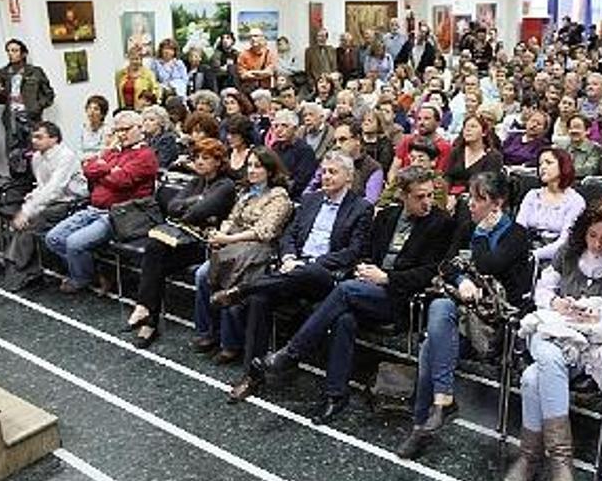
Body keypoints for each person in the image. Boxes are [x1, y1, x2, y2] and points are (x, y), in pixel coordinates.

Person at [245, 166, 453, 423]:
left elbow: (432, 272)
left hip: (400, 297)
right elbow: (364, 251)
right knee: (343, 319)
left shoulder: (440, 223)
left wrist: (387, 278)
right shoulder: (388, 216)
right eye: (420, 197)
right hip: (366, 287)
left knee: (343, 291)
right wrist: (365, 268)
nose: (427, 202)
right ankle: (336, 395)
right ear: (402, 195)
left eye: (430, 195)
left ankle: (290, 353)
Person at [505, 198, 602, 481]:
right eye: (592, 235)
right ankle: (560, 462)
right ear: (584, 232)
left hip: (588, 344)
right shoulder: (568, 252)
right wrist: (556, 303)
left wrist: (600, 314)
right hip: (550, 330)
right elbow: (541, 292)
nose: (597, 244)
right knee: (549, 352)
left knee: (533, 379)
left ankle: (529, 457)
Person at [396, 172, 532, 459]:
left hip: (495, 325)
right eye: (470, 196)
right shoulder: (466, 226)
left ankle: (423, 425)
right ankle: (440, 403)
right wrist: (461, 281)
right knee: (440, 310)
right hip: (460, 315)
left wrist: (481, 235)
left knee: (429, 348)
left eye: (479, 199)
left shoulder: (517, 234)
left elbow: (488, 264)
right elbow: (445, 265)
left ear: (497, 204)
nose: (470, 204)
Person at [222, 151, 373, 398]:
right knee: (261, 301)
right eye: (324, 171)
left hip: (327, 275)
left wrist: (310, 263)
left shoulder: (360, 208)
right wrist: (290, 257)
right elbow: (289, 235)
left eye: (333, 172)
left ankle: (245, 288)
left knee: (305, 273)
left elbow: (354, 251)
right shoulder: (310, 200)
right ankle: (253, 375)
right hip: (294, 270)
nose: (326, 176)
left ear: (349, 177)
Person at [127, 138, 237, 348]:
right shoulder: (197, 181)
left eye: (205, 158)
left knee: (154, 260)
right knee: (155, 251)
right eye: (196, 158)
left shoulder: (226, 185)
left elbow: (196, 213)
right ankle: (147, 315)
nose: (199, 162)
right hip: (185, 239)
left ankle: (147, 317)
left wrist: (192, 205)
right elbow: (171, 206)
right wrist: (195, 202)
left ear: (218, 161)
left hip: (205, 245)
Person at [190, 146, 293, 363]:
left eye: (258, 166)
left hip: (259, 251)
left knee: (231, 281)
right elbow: (232, 219)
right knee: (202, 274)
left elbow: (265, 231)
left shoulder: (279, 197)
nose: (252, 170)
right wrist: (222, 234)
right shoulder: (246, 192)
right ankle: (208, 331)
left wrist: (228, 240)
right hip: (233, 247)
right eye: (249, 166)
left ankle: (231, 343)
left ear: (270, 171)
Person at [45, 111, 158, 293]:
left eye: (126, 129)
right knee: (53, 238)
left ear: (140, 128)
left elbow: (122, 180)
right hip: (93, 209)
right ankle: (98, 273)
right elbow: (88, 169)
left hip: (120, 215)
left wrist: (102, 171)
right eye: (118, 130)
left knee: (74, 243)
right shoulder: (113, 152)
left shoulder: (145, 155)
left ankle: (81, 279)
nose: (121, 134)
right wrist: (109, 169)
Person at [2, 122, 88, 291]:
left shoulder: (66, 156)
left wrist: (28, 211)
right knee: (24, 219)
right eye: (33, 137)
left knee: (31, 220)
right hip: (51, 201)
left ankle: (18, 267)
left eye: (39, 137)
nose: (34, 141)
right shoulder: (37, 157)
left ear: (54, 138)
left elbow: (55, 188)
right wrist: (30, 203)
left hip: (71, 202)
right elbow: (42, 186)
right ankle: (21, 267)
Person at [516, 148, 586, 263]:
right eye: (540, 164)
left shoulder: (575, 201)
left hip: (557, 259)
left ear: (563, 166)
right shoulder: (532, 195)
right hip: (525, 252)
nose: (542, 167)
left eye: (548, 163)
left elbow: (565, 242)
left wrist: (534, 255)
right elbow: (518, 230)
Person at [0, 39, 55, 162]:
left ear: (23, 54)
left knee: (36, 149)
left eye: (15, 50)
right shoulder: (1, 74)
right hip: (11, 118)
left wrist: (36, 107)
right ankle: (18, 180)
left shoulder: (36, 72)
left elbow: (49, 95)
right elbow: (0, 100)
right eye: (9, 51)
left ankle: (37, 178)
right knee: (14, 152)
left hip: (31, 117)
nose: (11, 53)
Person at [304, 122, 384, 203]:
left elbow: (370, 201)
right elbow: (308, 191)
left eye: (342, 140)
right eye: (335, 141)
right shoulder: (328, 161)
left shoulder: (373, 168)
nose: (337, 145)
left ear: (357, 140)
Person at [444, 115, 504, 198]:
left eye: (473, 127)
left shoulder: (493, 157)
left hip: (478, 197)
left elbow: (487, 184)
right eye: (465, 127)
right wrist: (445, 194)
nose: (468, 130)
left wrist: (458, 196)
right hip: (451, 195)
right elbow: (447, 176)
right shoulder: (456, 151)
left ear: (484, 132)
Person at [388, 105, 453, 181]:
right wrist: (393, 188)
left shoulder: (445, 147)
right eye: (419, 119)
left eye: (427, 119)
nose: (421, 122)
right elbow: (394, 169)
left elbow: (439, 175)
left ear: (438, 122)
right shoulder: (407, 140)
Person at [268, 109, 318, 199]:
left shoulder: (304, 150)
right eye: (276, 126)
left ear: (295, 128)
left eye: (284, 126)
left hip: (293, 197)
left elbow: (301, 183)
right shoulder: (275, 147)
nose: (279, 130)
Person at [238, 28, 276, 92]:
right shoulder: (243, 54)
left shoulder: (269, 54)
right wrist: (261, 74)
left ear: (262, 38)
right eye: (250, 37)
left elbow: (269, 72)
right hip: (248, 89)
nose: (252, 38)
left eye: (255, 36)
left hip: (264, 89)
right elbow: (243, 75)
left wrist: (251, 72)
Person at [223, 114, 256, 181]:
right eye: (228, 133)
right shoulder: (226, 153)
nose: (229, 137)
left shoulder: (253, 155)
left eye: (234, 134)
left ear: (244, 135)